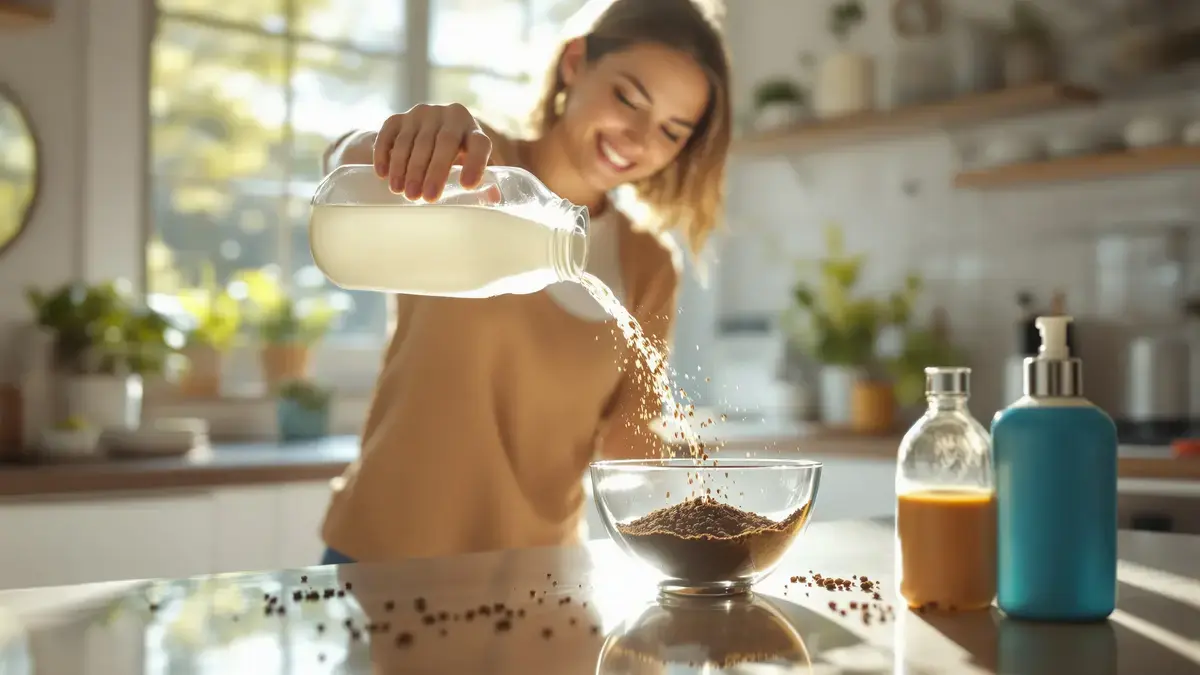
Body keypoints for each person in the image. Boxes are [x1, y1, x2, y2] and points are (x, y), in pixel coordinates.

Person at [318, 0, 732, 564]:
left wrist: (700, 512)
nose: (636, 138)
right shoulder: (471, 171)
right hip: (383, 559)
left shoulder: (650, 264)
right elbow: (348, 167)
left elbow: (629, 444)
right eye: (628, 98)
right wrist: (400, 143)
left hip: (538, 577)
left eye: (671, 131)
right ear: (575, 63)